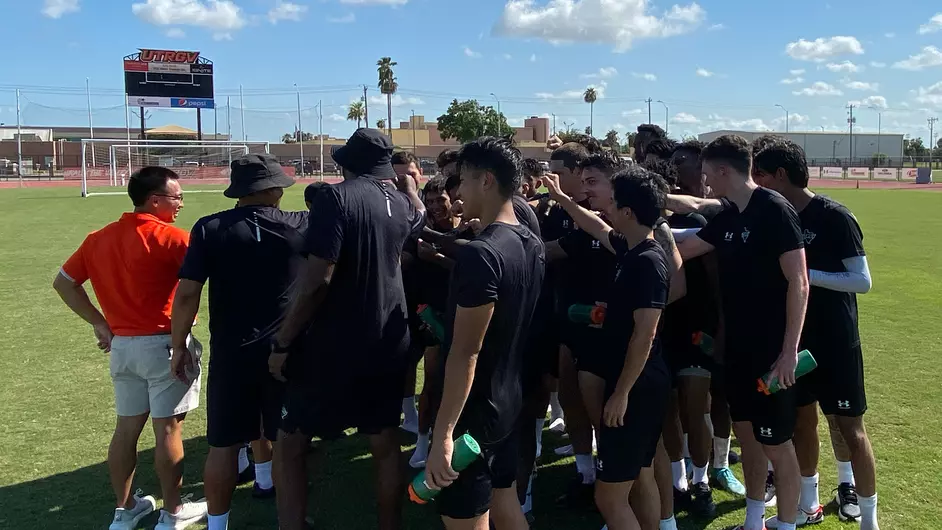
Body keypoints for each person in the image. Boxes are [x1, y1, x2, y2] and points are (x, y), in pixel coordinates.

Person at [268, 128, 425, 530]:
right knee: (385, 442)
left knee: (289, 441)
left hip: (336, 341)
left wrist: (284, 340)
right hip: (389, 336)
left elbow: (319, 279)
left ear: (345, 164)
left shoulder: (335, 197)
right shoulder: (401, 202)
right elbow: (412, 230)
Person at [53, 167, 207, 530]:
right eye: (177, 197)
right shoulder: (173, 238)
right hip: (165, 346)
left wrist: (99, 322)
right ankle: (172, 512)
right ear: (155, 200)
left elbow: (64, 283)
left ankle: (124, 510)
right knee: (168, 430)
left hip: (123, 348)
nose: (181, 203)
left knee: (125, 431)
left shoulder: (99, 238)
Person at [673, 135, 809, 530]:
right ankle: (754, 522)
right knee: (749, 439)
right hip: (737, 350)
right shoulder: (730, 215)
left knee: (777, 444)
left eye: (706, 173)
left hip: (772, 353)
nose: (704, 182)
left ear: (722, 170)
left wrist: (789, 352)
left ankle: (785, 525)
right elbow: (690, 248)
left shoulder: (774, 210)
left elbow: (799, 282)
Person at [170, 155, 305, 530]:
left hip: (232, 354)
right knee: (285, 439)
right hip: (285, 351)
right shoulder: (298, 225)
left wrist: (178, 344)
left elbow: (186, 295)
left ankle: (218, 524)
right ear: (273, 189)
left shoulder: (209, 228)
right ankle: (285, 515)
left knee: (224, 444)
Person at [751, 137, 878, 530]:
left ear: (781, 175)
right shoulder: (775, 215)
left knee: (850, 430)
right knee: (803, 423)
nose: (755, 183)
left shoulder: (834, 216)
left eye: (760, 175)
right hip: (796, 341)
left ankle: (869, 521)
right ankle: (809, 507)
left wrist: (806, 277)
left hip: (837, 340)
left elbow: (862, 281)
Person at [542, 166, 673, 530]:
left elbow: (645, 334)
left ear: (628, 212)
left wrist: (621, 394)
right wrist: (563, 200)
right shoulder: (630, 247)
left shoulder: (647, 261)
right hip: (637, 383)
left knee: (608, 496)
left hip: (637, 385)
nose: (607, 209)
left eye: (614, 203)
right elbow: (594, 227)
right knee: (641, 474)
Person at [425, 136, 545, 530]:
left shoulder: (483, 253)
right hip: (508, 398)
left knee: (466, 518)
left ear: (487, 181)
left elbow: (466, 353)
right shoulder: (531, 242)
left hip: (473, 412)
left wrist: (443, 435)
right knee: (506, 506)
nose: (456, 193)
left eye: (462, 181)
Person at [665, 140, 748, 510]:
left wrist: (723, 325)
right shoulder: (670, 214)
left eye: (682, 162)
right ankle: (685, 472)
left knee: (721, 399)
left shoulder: (720, 209)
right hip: (676, 321)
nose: (676, 167)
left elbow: (715, 277)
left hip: (711, 320)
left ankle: (719, 465)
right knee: (685, 403)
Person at [394, 150, 426, 435]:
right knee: (406, 359)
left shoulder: (436, 200)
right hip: (401, 294)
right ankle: (409, 415)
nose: (405, 180)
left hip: (435, 292)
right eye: (398, 175)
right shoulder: (388, 206)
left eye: (410, 174)